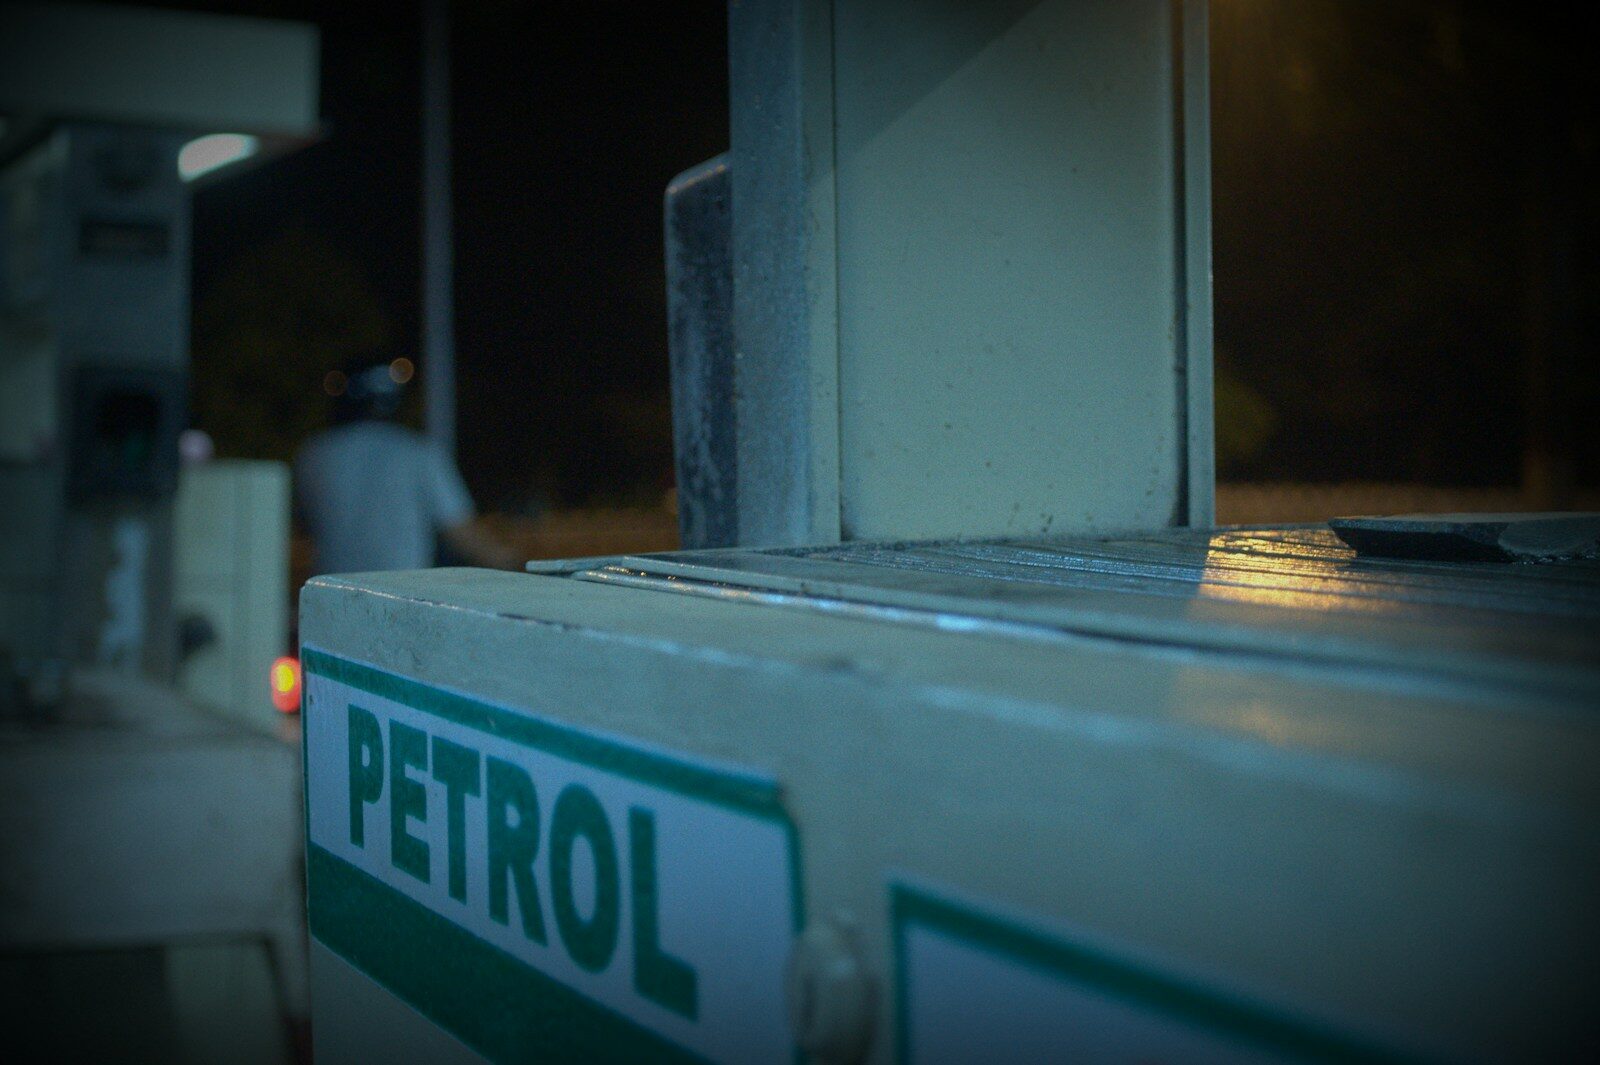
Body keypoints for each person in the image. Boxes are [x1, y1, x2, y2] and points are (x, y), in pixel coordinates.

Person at [294, 357, 519, 575]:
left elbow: (300, 524)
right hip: (401, 598)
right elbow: (463, 535)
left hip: (333, 595)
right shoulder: (418, 452)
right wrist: (518, 565)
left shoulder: (313, 453)